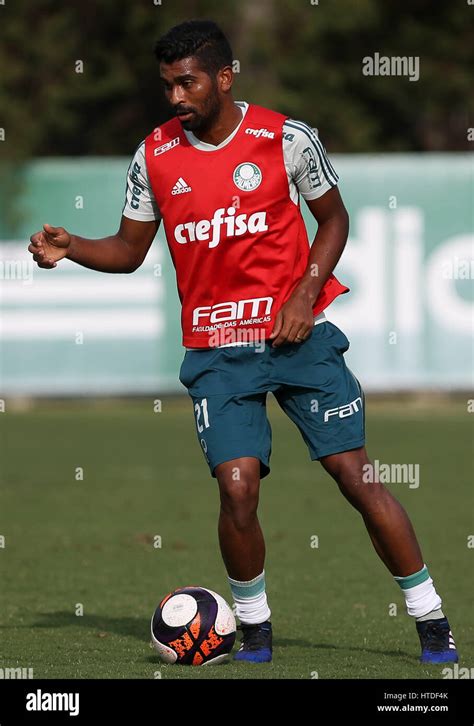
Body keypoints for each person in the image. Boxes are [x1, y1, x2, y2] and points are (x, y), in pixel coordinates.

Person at [28, 19, 458, 666]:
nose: (176, 98)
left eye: (189, 83)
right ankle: (253, 626)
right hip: (217, 352)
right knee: (236, 488)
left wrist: (304, 295)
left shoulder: (286, 138)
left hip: (298, 339)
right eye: (169, 85)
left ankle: (430, 619)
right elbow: (127, 249)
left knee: (355, 474)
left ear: (224, 78)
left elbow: (334, 218)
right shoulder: (154, 156)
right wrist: (74, 249)